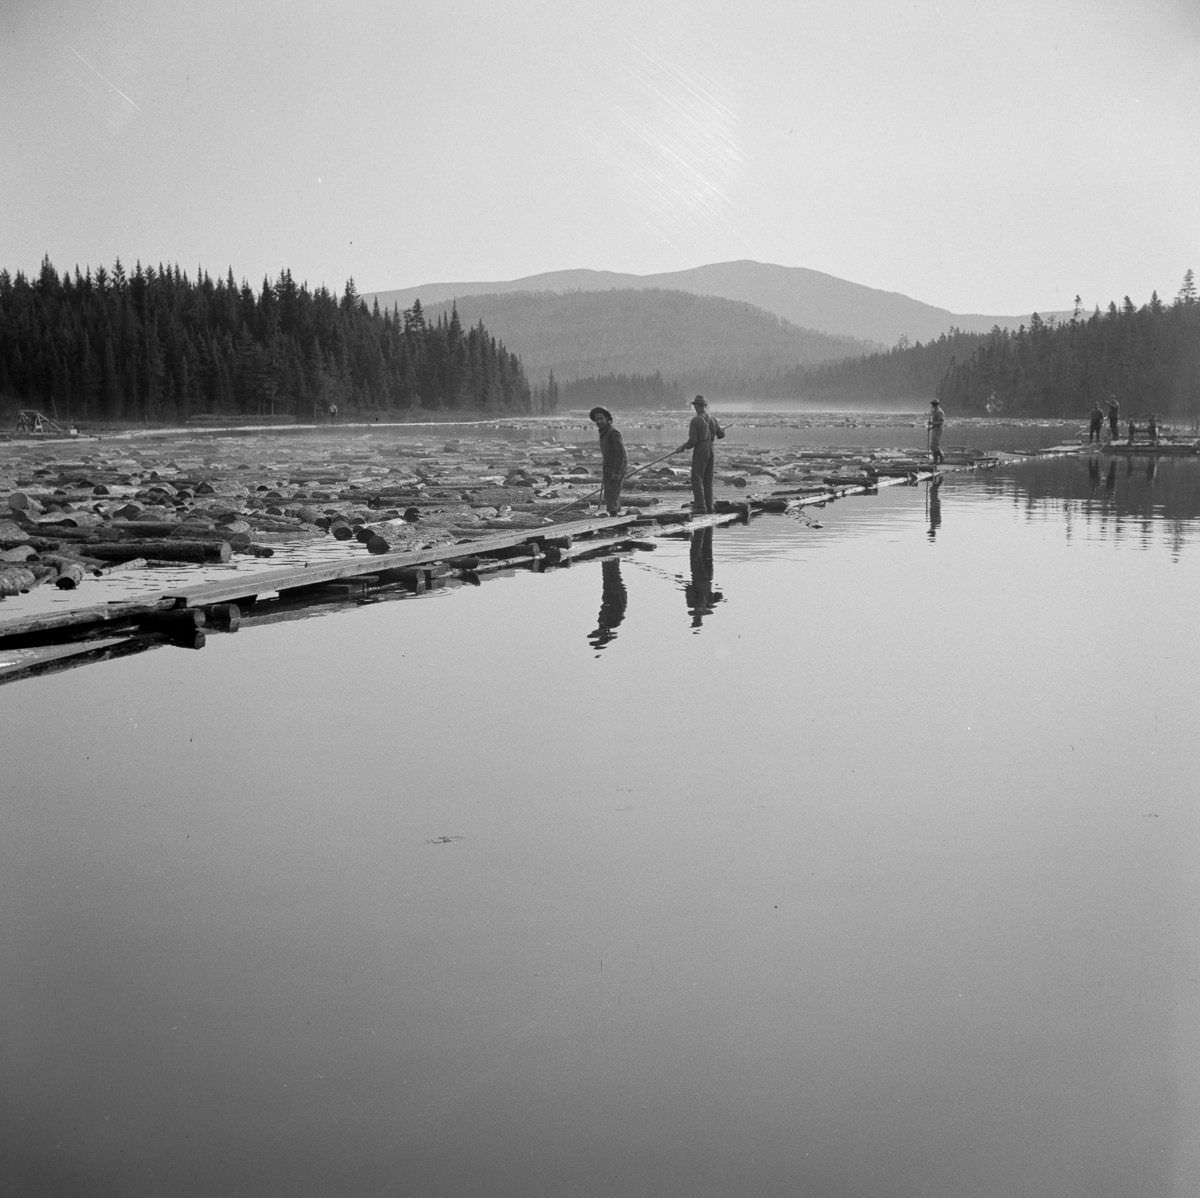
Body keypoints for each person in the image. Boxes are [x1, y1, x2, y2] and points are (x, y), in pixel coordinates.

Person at [677, 395, 725, 513]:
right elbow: (721, 435)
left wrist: (683, 447)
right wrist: (722, 430)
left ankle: (700, 506)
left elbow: (693, 440)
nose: (694, 408)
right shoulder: (713, 419)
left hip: (701, 448)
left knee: (697, 477)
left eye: (695, 406)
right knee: (708, 478)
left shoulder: (696, 420)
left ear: (698, 406)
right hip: (710, 448)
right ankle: (709, 506)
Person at [588, 406, 627, 516]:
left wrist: (617, 471)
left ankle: (614, 516)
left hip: (616, 467)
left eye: (601, 419)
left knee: (612, 493)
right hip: (608, 467)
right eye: (597, 419)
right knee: (610, 493)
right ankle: (615, 514)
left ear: (607, 419)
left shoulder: (613, 433)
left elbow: (621, 454)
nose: (599, 421)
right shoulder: (603, 433)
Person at [927, 398, 945, 464]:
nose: (932, 406)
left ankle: (941, 457)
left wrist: (932, 423)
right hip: (935, 429)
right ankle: (935, 460)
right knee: (932, 446)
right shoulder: (934, 411)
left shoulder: (940, 412)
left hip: (939, 430)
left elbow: (941, 422)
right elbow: (935, 422)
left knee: (935, 445)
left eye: (933, 404)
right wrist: (931, 427)